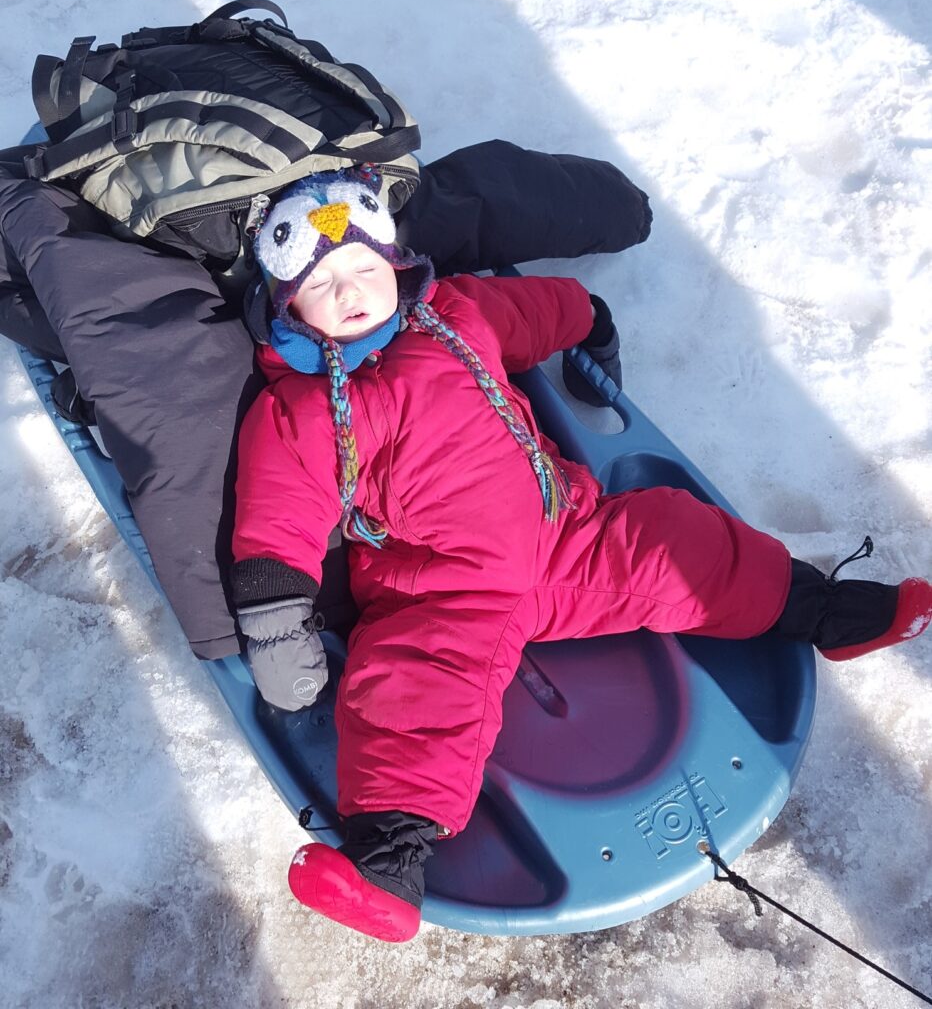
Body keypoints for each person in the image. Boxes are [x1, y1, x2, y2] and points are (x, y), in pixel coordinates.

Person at [230, 166, 932, 943]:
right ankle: (387, 865)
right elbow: (277, 513)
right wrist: (277, 621)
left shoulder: (456, 313)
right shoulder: (302, 408)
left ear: (394, 264)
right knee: (409, 689)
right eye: (324, 283)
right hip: (441, 589)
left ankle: (825, 610)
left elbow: (534, 311)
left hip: (567, 536)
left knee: (677, 539)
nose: (353, 290)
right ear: (286, 303)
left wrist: (587, 316)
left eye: (365, 268)